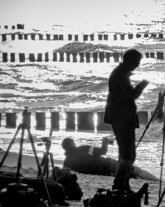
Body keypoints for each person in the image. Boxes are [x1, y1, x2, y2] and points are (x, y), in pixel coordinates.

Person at [103, 49, 149, 193]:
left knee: (125, 154)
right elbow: (128, 97)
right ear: (128, 60)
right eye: (136, 62)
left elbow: (127, 96)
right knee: (128, 155)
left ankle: (123, 184)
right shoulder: (119, 76)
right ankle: (119, 185)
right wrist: (140, 87)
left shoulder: (120, 74)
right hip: (122, 119)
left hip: (120, 118)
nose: (137, 65)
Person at [61, 137, 158, 181]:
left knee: (131, 176)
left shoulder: (67, 163)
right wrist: (105, 143)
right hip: (107, 164)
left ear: (64, 148)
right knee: (136, 170)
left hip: (103, 173)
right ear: (73, 144)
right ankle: (158, 181)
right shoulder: (84, 148)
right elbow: (102, 152)